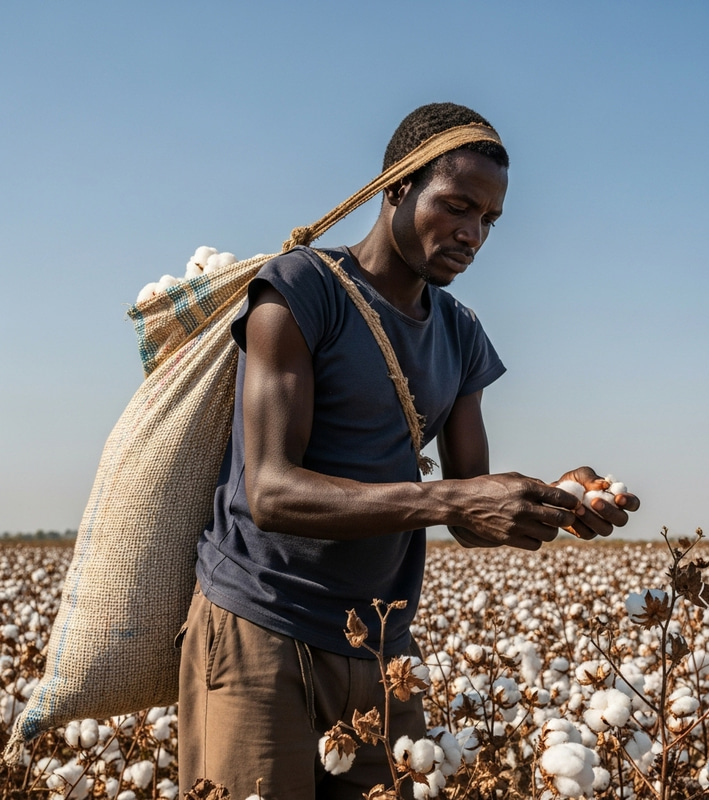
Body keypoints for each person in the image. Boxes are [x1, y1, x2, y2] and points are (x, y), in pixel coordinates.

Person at [177, 102, 639, 799]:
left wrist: (555, 499)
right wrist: (456, 499)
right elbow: (268, 492)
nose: (473, 233)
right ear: (396, 188)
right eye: (457, 206)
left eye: (489, 220)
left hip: (380, 650)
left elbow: (464, 516)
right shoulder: (302, 290)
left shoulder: (460, 334)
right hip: (260, 631)